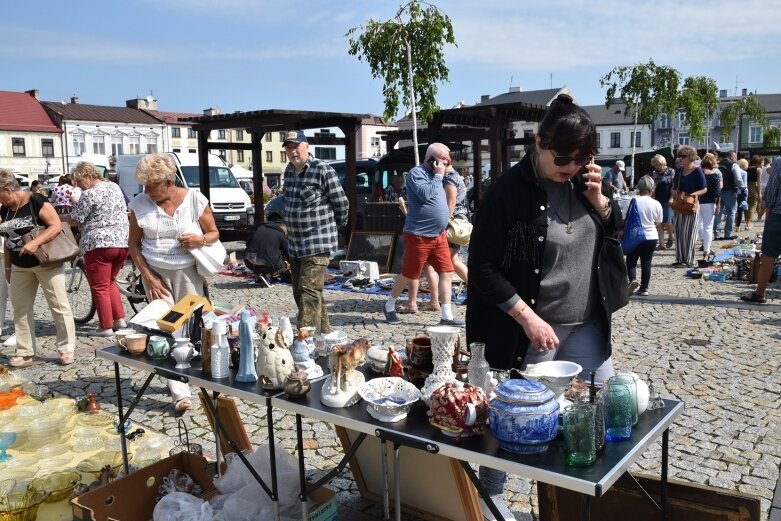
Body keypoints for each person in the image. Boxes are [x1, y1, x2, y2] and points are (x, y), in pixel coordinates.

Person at [465, 95, 621, 521]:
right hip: (529, 333)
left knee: (599, 416)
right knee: (514, 423)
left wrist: (601, 202)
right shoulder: (506, 193)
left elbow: (612, 231)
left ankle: (572, 505)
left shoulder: (584, 183)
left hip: (586, 323)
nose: (572, 166)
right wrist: (528, 317)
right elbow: (481, 267)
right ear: (538, 143)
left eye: (583, 158)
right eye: (564, 157)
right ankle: (489, 502)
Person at [128, 153, 219, 413]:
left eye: (153, 188)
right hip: (156, 275)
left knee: (193, 327)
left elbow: (213, 233)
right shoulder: (139, 204)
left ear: (169, 181)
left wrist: (200, 240)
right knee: (166, 330)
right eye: (145, 187)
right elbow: (133, 244)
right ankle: (180, 391)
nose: (148, 193)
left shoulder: (194, 199)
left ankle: (204, 376)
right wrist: (148, 276)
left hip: (189, 273)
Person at [0, 169, 76, 367]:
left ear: (7, 189)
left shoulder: (36, 200)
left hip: (46, 263)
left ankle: (66, 349)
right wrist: (7, 267)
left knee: (59, 306)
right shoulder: (4, 209)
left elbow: (55, 225)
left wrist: (35, 243)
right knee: (20, 308)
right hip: (19, 266)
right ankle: (26, 352)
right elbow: (7, 239)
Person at [383, 143, 464, 327]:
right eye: (443, 158)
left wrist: (441, 175)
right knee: (409, 274)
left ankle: (447, 315)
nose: (447, 162)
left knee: (446, 271)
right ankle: (389, 306)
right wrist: (438, 176)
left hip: (438, 235)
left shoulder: (440, 176)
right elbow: (425, 194)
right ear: (432, 159)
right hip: (418, 235)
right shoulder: (416, 174)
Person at [282, 130, 349, 334]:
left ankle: (306, 343)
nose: (293, 151)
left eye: (296, 146)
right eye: (289, 147)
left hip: (317, 242)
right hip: (295, 243)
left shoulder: (322, 170)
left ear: (306, 146)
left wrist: (335, 229)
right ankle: (325, 337)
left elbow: (341, 203)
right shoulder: (288, 171)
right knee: (302, 292)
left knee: (309, 293)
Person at [68, 162, 130, 336]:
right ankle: (119, 319)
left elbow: (76, 219)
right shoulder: (114, 187)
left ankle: (105, 326)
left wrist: (61, 217)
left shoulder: (89, 194)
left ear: (88, 177)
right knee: (110, 282)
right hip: (121, 242)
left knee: (100, 286)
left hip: (99, 244)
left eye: (79, 181)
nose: (78, 185)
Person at [420, 166, 470, 311]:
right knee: (453, 262)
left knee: (437, 264)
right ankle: (476, 291)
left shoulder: (449, 178)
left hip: (450, 225)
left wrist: (442, 224)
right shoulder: (455, 176)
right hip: (456, 224)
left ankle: (437, 300)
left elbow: (451, 203)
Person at [741, 157, 781, 304]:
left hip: (778, 214)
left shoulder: (779, 162)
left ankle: (760, 293)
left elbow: (772, 189)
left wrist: (767, 209)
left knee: (769, 257)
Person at [625, 175, 663, 296]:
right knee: (646, 262)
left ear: (639, 188)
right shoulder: (656, 203)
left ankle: (632, 280)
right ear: (652, 189)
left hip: (635, 236)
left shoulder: (632, 201)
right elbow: (658, 222)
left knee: (631, 261)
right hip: (651, 236)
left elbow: (624, 219)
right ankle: (644, 288)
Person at [670, 146, 707, 267]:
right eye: (679, 156)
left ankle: (689, 260)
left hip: (691, 205)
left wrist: (692, 195)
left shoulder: (697, 171)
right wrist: (673, 195)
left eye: (683, 156)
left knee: (689, 233)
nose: (680, 158)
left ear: (691, 157)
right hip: (679, 204)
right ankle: (680, 258)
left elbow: (704, 189)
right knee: (679, 231)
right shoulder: (679, 171)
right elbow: (674, 186)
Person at [244, 211, 290, 288]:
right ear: (283, 228)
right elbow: (288, 253)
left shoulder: (260, 228)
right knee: (285, 265)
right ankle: (267, 276)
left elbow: (248, 243)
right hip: (265, 262)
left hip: (248, 262)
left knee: (260, 254)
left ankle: (258, 277)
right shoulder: (280, 234)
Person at [714, 150, 744, 240]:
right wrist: (743, 188)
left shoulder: (717, 164)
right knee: (731, 213)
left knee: (718, 213)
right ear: (731, 156)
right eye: (735, 157)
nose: (736, 159)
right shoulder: (734, 165)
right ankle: (727, 234)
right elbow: (738, 179)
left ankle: (717, 234)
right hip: (730, 191)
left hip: (718, 191)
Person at [697, 153, 722, 257]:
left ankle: (696, 246)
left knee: (698, 226)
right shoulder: (714, 176)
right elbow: (717, 193)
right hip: (709, 203)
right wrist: (718, 205)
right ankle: (706, 250)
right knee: (708, 227)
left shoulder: (698, 174)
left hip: (697, 202)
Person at [650, 154, 675, 249]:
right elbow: (653, 187)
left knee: (667, 221)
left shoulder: (671, 171)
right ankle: (661, 244)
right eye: (654, 165)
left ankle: (670, 237)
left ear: (661, 163)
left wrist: (672, 197)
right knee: (658, 222)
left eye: (657, 164)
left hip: (667, 198)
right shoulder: (654, 173)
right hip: (657, 199)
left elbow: (674, 186)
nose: (655, 166)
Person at [745, 155, 763, 230]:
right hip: (753, 187)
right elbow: (759, 182)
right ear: (758, 162)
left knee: (746, 205)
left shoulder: (746, 168)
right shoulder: (758, 169)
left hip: (746, 186)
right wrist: (759, 193)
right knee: (753, 205)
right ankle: (749, 223)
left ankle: (747, 222)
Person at [735, 158, 750, 231]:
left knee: (733, 210)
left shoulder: (733, 171)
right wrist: (746, 195)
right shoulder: (744, 173)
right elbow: (745, 184)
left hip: (733, 191)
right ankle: (737, 226)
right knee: (740, 210)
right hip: (741, 192)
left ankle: (734, 224)